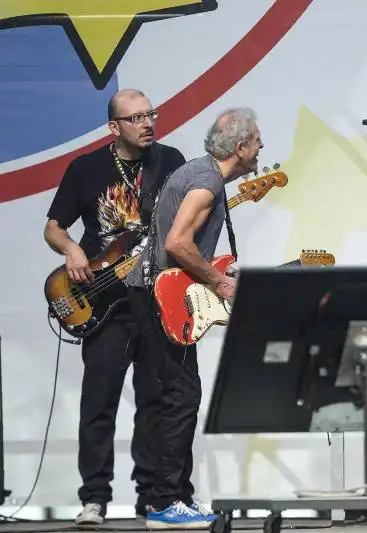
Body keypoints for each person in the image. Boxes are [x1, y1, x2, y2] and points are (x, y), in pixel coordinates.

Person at [44, 89, 186, 525]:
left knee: (155, 402)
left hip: (155, 301)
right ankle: (94, 497)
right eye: (136, 117)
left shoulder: (171, 161)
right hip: (104, 303)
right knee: (99, 402)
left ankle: (150, 495)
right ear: (114, 127)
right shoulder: (86, 169)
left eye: (151, 114)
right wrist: (70, 248)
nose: (148, 123)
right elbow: (53, 226)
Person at [124, 107, 262, 529]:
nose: (260, 148)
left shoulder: (199, 173)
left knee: (167, 397)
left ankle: (166, 497)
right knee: (181, 398)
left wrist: (217, 272)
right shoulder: (205, 182)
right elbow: (178, 243)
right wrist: (220, 283)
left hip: (150, 295)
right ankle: (168, 502)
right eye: (256, 141)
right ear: (239, 148)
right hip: (156, 298)